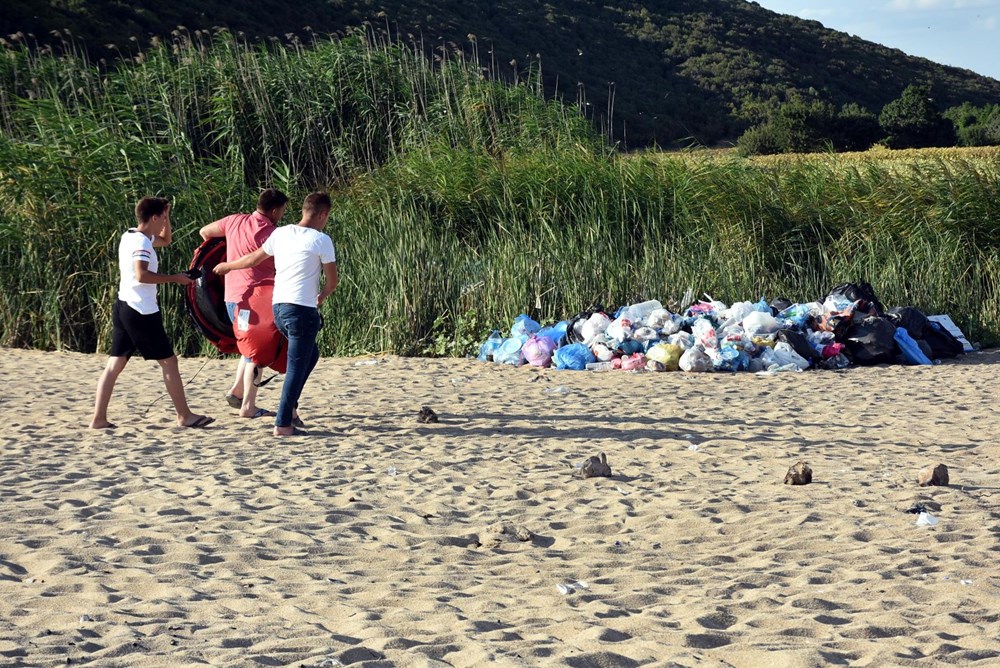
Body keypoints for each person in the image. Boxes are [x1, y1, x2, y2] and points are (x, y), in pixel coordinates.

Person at [214, 192, 338, 436]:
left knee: (310, 355)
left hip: (278, 309)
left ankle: (289, 408)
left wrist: (228, 266)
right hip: (301, 310)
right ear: (323, 214)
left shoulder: (280, 233)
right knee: (296, 365)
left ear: (304, 210)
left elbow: (252, 259)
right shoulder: (321, 240)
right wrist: (322, 296)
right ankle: (283, 423)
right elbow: (332, 281)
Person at [91, 196, 214, 430]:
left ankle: (99, 418)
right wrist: (175, 279)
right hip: (141, 310)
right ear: (154, 217)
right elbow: (141, 275)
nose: (166, 221)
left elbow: (166, 241)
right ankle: (184, 416)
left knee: (114, 364)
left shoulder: (132, 236)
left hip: (124, 305)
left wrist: (167, 217)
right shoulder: (142, 244)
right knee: (169, 362)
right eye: (163, 217)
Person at [198, 188, 288, 418]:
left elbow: (204, 231)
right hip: (254, 301)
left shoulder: (234, 221)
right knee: (259, 351)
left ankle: (237, 391)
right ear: (275, 210)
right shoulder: (271, 233)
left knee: (249, 348)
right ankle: (248, 406)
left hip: (230, 296)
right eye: (283, 210)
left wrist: (228, 246)